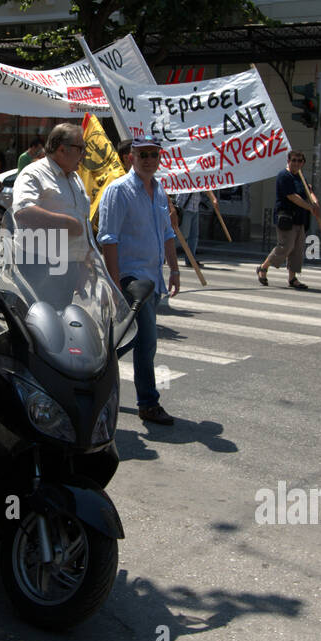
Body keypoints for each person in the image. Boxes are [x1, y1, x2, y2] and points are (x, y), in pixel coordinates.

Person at [97, 134, 180, 425]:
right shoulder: (118, 190)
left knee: (130, 341)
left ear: (160, 158)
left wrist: (175, 269)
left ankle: (92, 374)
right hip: (131, 278)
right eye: (142, 154)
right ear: (131, 157)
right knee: (147, 341)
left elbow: (168, 233)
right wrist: (115, 283)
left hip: (153, 278)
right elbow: (109, 239)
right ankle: (148, 403)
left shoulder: (159, 191)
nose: (148, 160)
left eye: (153, 155)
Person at [12, 123, 91, 298]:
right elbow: (23, 212)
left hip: (69, 264)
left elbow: (82, 219)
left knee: (61, 318)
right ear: (62, 149)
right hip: (39, 263)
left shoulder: (75, 177)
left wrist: (84, 263)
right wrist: (66, 222)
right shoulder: (34, 173)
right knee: (41, 321)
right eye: (81, 149)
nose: (84, 154)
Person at [257, 150, 318, 289]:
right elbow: (292, 196)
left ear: (303, 163)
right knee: (286, 246)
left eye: (299, 161)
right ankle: (263, 267)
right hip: (286, 217)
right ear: (288, 161)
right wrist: (310, 207)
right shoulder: (284, 175)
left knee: (297, 249)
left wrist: (315, 203)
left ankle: (292, 278)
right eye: (294, 160)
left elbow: (309, 192)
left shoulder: (301, 176)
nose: (296, 163)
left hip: (299, 218)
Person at [174, 190, 202, 268]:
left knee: (194, 236)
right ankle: (164, 252)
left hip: (195, 207)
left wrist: (213, 198)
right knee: (182, 235)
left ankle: (190, 260)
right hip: (185, 207)